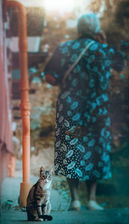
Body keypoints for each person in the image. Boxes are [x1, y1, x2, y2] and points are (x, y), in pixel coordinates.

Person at [44, 13, 124, 210]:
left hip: (70, 106)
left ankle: (74, 200)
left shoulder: (65, 48)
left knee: (72, 149)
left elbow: (49, 77)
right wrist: (104, 42)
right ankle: (92, 199)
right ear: (97, 30)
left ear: (78, 29)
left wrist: (66, 82)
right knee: (95, 148)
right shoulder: (104, 50)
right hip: (97, 107)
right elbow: (120, 65)